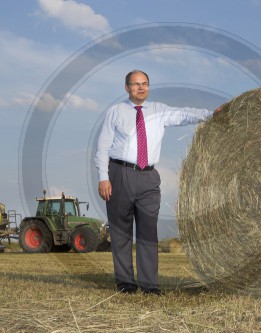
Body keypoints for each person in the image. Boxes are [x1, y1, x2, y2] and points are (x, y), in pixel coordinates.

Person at [95, 70, 222, 295]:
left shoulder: (159, 110)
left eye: (144, 84)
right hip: (120, 173)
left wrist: (211, 114)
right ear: (127, 88)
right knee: (121, 231)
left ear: (149, 87)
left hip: (149, 177)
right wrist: (103, 178)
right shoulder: (115, 112)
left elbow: (184, 115)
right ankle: (125, 283)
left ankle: (150, 285)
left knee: (148, 231)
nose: (141, 88)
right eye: (135, 84)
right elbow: (103, 147)